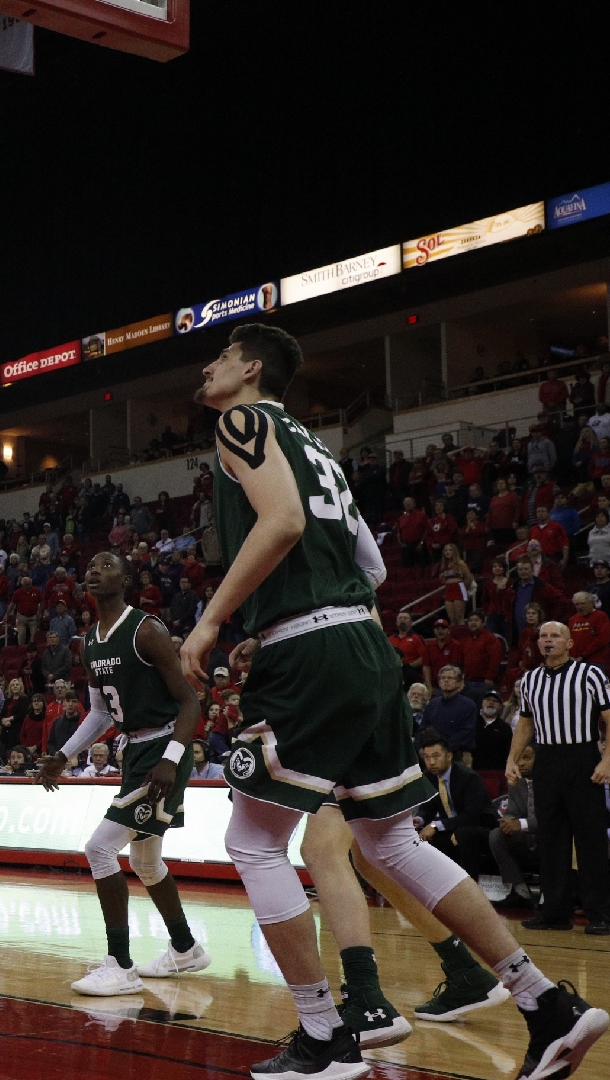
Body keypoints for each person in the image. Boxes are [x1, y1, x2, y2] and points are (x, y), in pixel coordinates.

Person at [180, 323, 605, 1080]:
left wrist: (217, 620)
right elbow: (369, 567)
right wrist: (289, 616)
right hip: (361, 647)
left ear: (249, 369)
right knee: (391, 843)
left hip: (312, 656)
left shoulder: (239, 421)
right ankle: (547, 1003)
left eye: (218, 358)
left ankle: (323, 1034)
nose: (206, 370)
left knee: (252, 841)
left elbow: (279, 522)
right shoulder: (314, 447)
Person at [35, 551, 210, 995]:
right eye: (90, 565)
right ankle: (187, 948)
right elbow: (98, 713)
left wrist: (171, 758)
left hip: (163, 747)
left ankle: (120, 964)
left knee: (98, 849)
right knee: (146, 862)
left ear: (127, 579)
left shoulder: (146, 630)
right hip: (134, 750)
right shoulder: (89, 640)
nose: (94, 570)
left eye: (107, 565)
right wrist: (65, 754)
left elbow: (191, 702)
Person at [508, 622, 610, 935]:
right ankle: (554, 912)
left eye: (555, 636)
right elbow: (525, 724)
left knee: (590, 839)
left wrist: (607, 760)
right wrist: (512, 759)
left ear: (569, 642)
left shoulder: (590, 674)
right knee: (551, 838)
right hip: (547, 760)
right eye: (544, 637)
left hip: (583, 758)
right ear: (538, 644)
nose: (548, 641)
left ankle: (601, 914)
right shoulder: (530, 679)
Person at [414, 733, 498, 879]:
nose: (431, 762)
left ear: (449, 756)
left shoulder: (468, 777)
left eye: (436, 756)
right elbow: (428, 807)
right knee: (423, 836)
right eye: (427, 757)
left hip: (482, 827)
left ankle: (471, 885)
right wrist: (419, 819)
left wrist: (435, 826)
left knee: (463, 833)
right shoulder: (428, 777)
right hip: (452, 826)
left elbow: (471, 816)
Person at [490, 743, 540, 907]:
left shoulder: (552, 782)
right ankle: (520, 891)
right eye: (518, 759)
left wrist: (522, 823)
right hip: (526, 837)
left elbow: (553, 820)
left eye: (527, 758)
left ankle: (549, 895)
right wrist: (508, 820)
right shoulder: (516, 781)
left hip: (549, 836)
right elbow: (512, 810)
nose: (521, 763)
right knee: (496, 835)